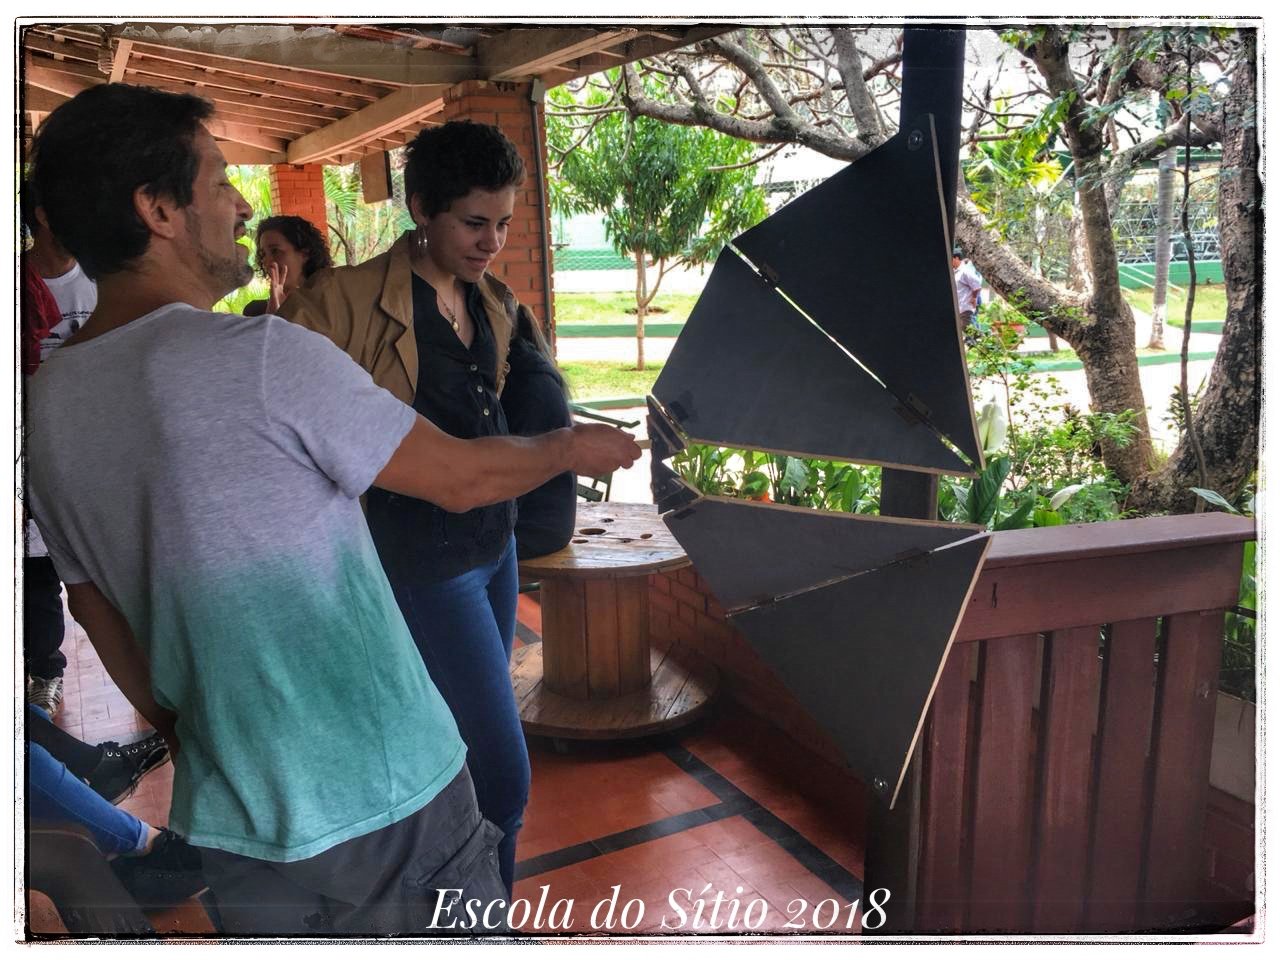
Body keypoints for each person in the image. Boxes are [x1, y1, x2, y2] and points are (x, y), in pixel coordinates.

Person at [27, 83, 639, 936]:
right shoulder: (261, 355)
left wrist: (190, 727)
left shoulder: (45, 405)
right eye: (219, 182)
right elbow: (459, 476)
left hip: (236, 815)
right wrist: (569, 447)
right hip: (384, 788)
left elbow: (93, 604)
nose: (242, 206)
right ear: (157, 210)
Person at [280, 120, 554, 894]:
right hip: (421, 563)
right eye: (473, 222)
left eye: (504, 223)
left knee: (465, 748)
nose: (492, 241)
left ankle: (463, 905)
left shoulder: (492, 298)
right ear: (422, 209)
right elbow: (282, 427)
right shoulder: (340, 304)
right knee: (503, 774)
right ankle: (484, 927)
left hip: (493, 548)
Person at [21, 180, 99, 718]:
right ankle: (46, 672)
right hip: (29, 454)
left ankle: (153, 668)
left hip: (92, 448)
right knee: (38, 571)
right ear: (46, 216)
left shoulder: (101, 280)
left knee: (111, 568)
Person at [501, 307, 577, 560]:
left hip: (536, 527)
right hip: (535, 519)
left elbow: (516, 473)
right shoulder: (517, 370)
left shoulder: (526, 382)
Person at [241, 215, 333, 317]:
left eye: (275, 251)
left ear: (305, 253)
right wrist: (272, 317)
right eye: (263, 254)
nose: (267, 261)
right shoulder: (255, 312)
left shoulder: (329, 309)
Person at [952, 245, 983, 337]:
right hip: (960, 307)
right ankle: (980, 340)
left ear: (956, 258)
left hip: (966, 306)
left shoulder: (965, 271)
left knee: (968, 328)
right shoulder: (955, 272)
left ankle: (984, 339)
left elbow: (977, 286)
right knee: (966, 329)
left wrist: (974, 298)